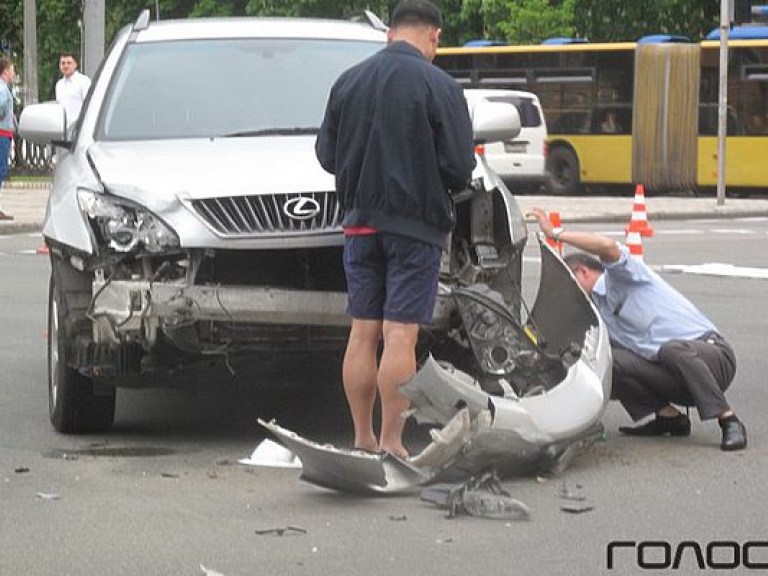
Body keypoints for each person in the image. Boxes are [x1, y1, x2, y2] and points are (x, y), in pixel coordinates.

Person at [315, 0, 476, 458]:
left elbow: (326, 155)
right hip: (416, 229)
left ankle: (361, 437)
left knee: (363, 332)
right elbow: (461, 167)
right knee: (400, 335)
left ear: (390, 33)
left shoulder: (348, 81)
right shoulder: (439, 86)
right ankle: (391, 441)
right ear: (434, 36)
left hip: (359, 226)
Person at [528, 207, 747, 451]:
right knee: (609, 360)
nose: (568, 293)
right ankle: (670, 419)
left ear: (583, 271)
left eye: (570, 282)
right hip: (673, 375)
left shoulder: (622, 277)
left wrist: (555, 233)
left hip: (712, 357)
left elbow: (608, 246)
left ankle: (729, 420)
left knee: (671, 349)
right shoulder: (596, 315)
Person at [0, 57, 16, 221]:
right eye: (12, 70)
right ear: (5, 71)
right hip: (2, 134)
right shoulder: (3, 89)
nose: (14, 73)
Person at [55, 52, 91, 123]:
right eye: (63, 63)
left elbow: (90, 105)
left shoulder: (84, 81)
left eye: (69, 63)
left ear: (75, 65)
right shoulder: (59, 85)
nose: (65, 66)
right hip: (63, 128)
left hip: (79, 127)